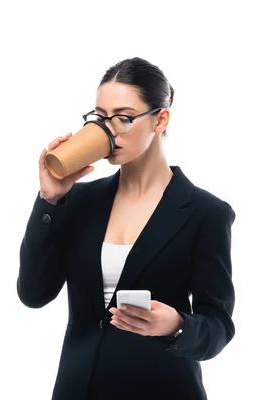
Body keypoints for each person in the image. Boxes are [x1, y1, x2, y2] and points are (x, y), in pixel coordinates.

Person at [17, 57, 236, 399]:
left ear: (160, 119)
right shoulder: (80, 201)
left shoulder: (206, 213)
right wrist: (50, 201)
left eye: (123, 118)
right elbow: (33, 294)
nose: (107, 131)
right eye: (100, 118)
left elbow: (218, 326)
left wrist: (178, 324)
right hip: (79, 388)